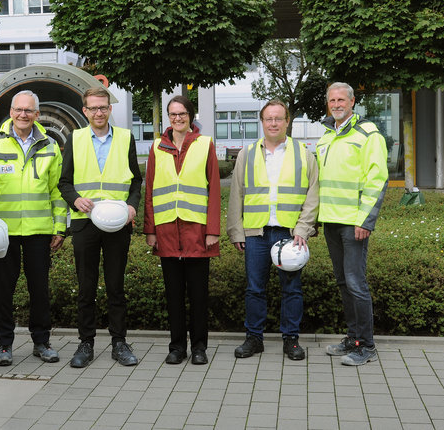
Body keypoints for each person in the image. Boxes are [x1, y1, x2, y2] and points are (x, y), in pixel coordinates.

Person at [227, 99, 319, 361]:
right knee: (254, 288)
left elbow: (313, 194)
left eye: (279, 118)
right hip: (256, 233)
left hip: (290, 235)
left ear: (287, 121)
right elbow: (237, 194)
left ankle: (291, 340)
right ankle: (254, 338)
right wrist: (236, 231)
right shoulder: (248, 154)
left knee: (292, 289)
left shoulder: (303, 154)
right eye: (269, 119)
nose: (274, 123)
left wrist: (304, 228)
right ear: (262, 121)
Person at [58, 86, 143, 368]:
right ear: (85, 111)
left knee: (115, 286)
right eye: (93, 108)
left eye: (103, 107)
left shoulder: (125, 138)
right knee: (86, 287)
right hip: (85, 224)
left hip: (118, 224)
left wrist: (132, 205)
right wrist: (75, 200)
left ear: (109, 109)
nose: (98, 112)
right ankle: (86, 343)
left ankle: (119, 342)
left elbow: (135, 181)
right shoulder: (75, 138)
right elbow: (64, 183)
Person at [0, 90, 66, 366]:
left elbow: (56, 191)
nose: (23, 115)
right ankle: (4, 345)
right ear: (11, 112)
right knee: (3, 290)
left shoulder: (50, 146)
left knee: (39, 290)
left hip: (39, 231)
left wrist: (60, 227)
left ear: (37, 114)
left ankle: (41, 342)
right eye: (18, 109)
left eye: (29, 110)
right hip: (3, 232)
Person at [143, 95, 220, 365]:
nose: (177, 118)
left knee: (198, 295)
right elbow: (150, 191)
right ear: (168, 117)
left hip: (197, 232)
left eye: (182, 114)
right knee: (173, 295)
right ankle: (176, 347)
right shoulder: (157, 147)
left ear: (190, 115)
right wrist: (149, 230)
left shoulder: (204, 144)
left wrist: (213, 230)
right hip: (166, 232)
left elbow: (214, 190)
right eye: (173, 114)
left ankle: (199, 348)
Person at [318, 82, 388, 366]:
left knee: (356, 283)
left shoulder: (368, 134)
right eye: (332, 100)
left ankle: (367, 346)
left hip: (353, 223)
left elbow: (377, 179)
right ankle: (353, 338)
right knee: (344, 282)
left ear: (352, 102)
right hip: (331, 222)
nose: (336, 104)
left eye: (341, 100)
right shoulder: (325, 136)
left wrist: (365, 221)